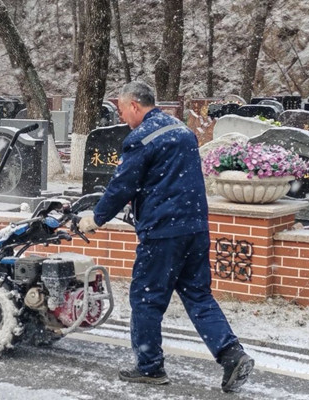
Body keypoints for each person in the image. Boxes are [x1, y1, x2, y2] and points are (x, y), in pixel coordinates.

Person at [78, 81, 254, 392]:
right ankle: (231, 354)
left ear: (135, 105)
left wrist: (96, 218)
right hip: (195, 228)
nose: (122, 118)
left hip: (163, 232)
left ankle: (150, 367)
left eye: (122, 110)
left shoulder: (140, 139)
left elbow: (122, 185)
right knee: (198, 295)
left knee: (146, 298)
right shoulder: (182, 131)